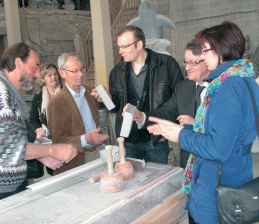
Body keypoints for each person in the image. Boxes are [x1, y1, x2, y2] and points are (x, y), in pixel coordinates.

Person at [147, 21, 259, 224]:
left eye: (206, 51)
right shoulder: (246, 79)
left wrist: (180, 135)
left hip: (219, 185)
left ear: (221, 51)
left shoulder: (228, 87)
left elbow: (218, 148)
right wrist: (187, 128)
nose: (203, 56)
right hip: (236, 172)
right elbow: (229, 133)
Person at [0, 43, 78, 212]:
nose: (38, 74)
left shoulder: (9, 91)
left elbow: (15, 136)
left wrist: (39, 156)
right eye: (35, 67)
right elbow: (8, 148)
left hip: (9, 184)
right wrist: (51, 150)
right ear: (18, 63)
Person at [107, 25, 183, 164]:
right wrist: (104, 99)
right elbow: (114, 107)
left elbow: (179, 101)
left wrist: (167, 129)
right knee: (132, 182)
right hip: (128, 140)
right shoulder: (117, 71)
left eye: (124, 46)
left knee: (158, 181)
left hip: (156, 139)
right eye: (119, 47)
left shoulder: (166, 64)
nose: (120, 51)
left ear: (139, 44)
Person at [47, 53, 109, 175]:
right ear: (62, 73)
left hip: (98, 152)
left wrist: (107, 97)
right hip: (77, 160)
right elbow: (58, 140)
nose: (80, 74)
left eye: (81, 69)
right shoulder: (56, 103)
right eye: (74, 71)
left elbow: (112, 107)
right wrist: (85, 139)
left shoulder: (90, 91)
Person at [169, 39, 211, 168]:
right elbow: (166, 111)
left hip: (212, 162)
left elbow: (225, 132)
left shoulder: (223, 88)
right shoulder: (183, 87)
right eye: (186, 62)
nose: (187, 68)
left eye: (193, 63)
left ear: (208, 60)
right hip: (187, 161)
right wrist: (142, 116)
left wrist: (195, 124)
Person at [27, 63, 63, 177]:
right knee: (53, 170)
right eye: (49, 75)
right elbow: (32, 119)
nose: (53, 77)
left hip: (65, 138)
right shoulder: (38, 97)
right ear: (43, 79)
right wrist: (38, 129)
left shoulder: (65, 93)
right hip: (49, 140)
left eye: (55, 74)